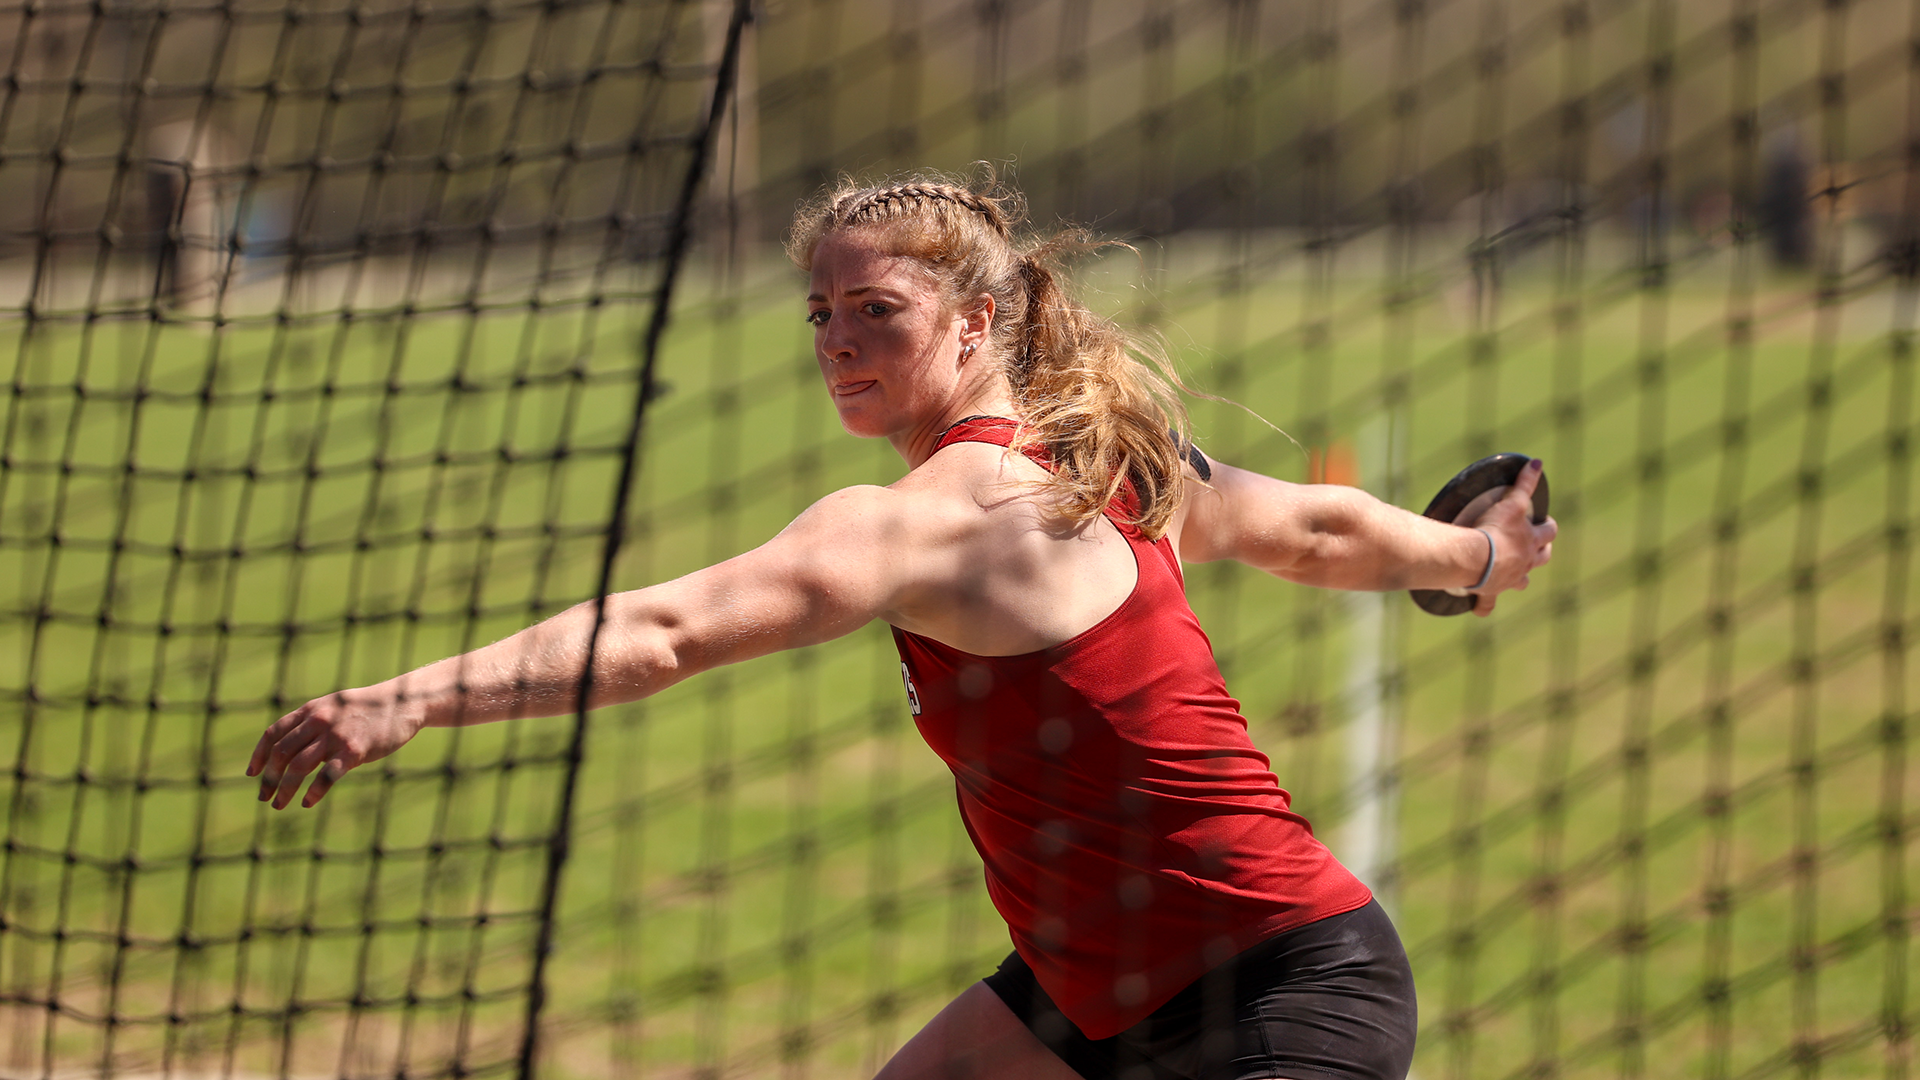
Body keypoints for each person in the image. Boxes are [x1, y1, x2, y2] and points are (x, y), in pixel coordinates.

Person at [249, 173, 1556, 1080]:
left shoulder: (949, 514)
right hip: (1092, 991)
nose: (837, 340)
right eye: (821, 312)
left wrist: (412, 695)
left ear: (979, 320)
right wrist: (1480, 553)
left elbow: (661, 629)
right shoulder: (1097, 459)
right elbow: (1310, 528)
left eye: (877, 310)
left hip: (1285, 989)